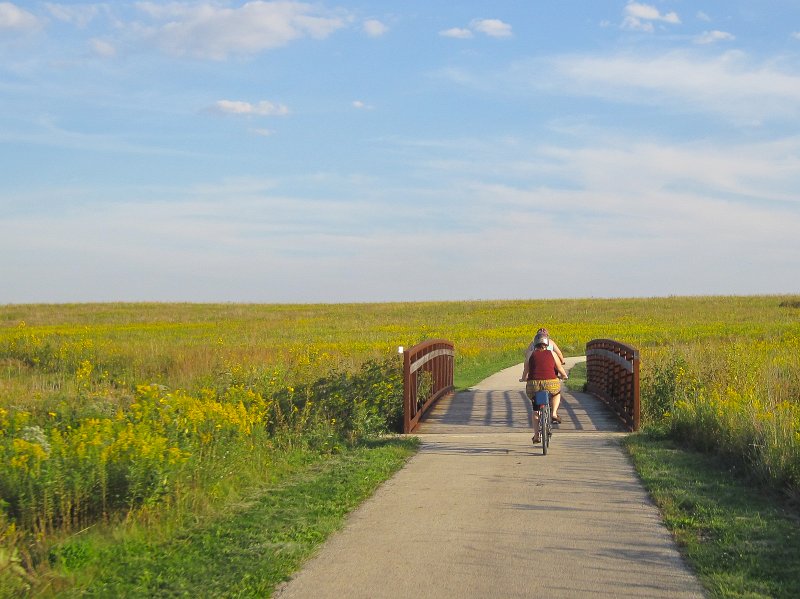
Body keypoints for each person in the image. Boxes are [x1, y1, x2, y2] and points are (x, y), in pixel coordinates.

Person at [523, 332, 567, 443]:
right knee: (556, 393)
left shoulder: (530, 354)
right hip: (550, 383)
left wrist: (523, 378)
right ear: (546, 343)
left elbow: (526, 370)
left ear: (535, 343)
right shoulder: (552, 353)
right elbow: (559, 368)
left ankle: (536, 436)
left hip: (534, 385)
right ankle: (554, 413)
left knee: (535, 411)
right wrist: (564, 376)